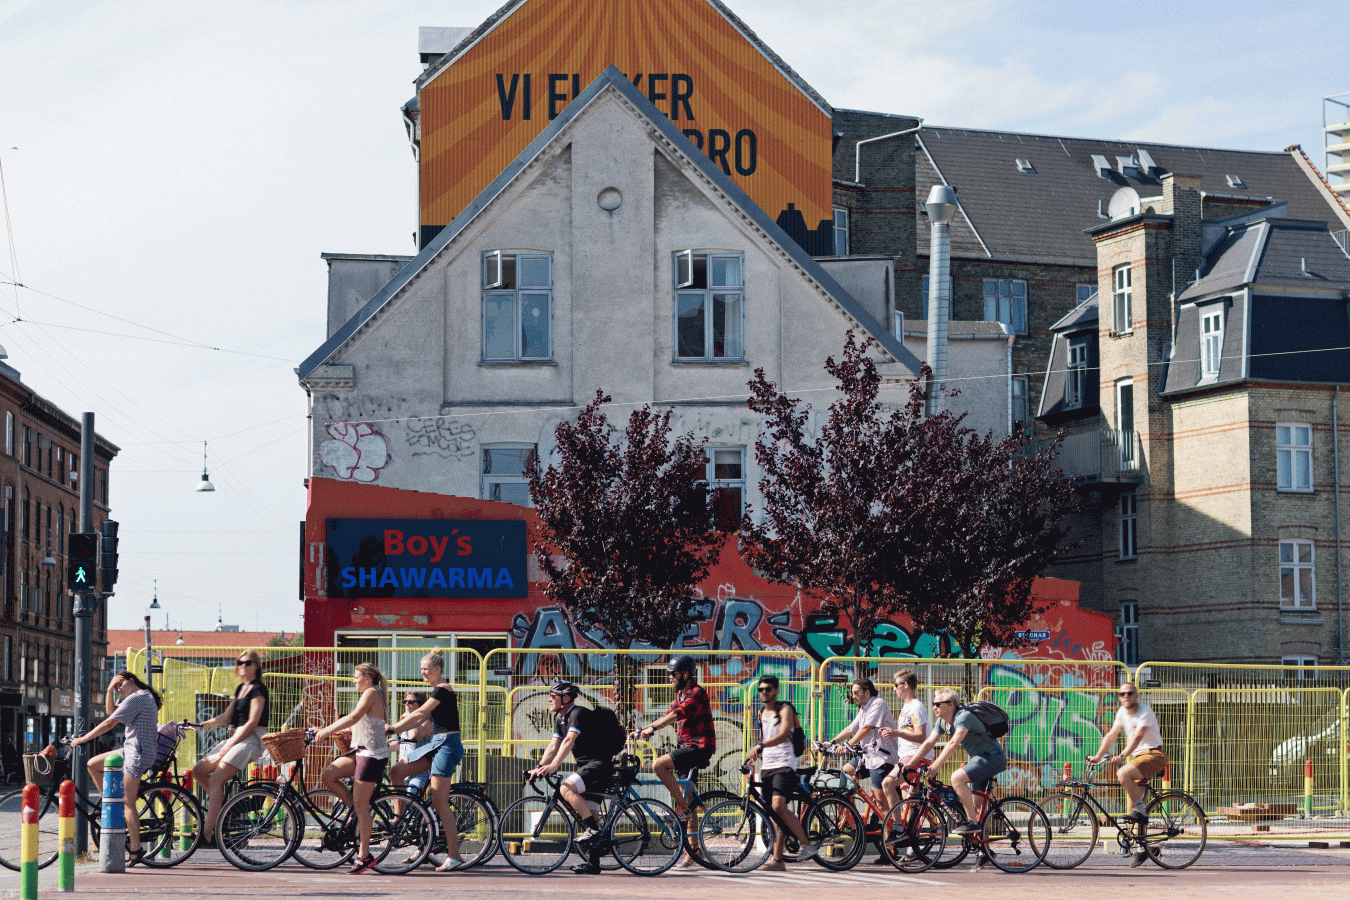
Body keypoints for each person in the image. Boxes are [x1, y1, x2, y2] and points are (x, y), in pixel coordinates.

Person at [68, 670, 162, 866]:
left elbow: (110, 722)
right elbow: (112, 712)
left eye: (121, 685)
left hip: (138, 752)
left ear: (132, 681)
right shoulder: (137, 698)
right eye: (116, 687)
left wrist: (83, 739)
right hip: (129, 749)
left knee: (128, 803)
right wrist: (109, 690)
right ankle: (110, 803)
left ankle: (136, 850)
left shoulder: (139, 697)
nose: (119, 689)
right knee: (93, 764)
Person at [385, 649, 465, 871]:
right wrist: (396, 728)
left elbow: (419, 715)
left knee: (439, 801)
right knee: (396, 771)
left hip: (448, 745)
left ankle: (455, 855)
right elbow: (416, 720)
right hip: (435, 744)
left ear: (438, 669)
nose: (422, 672)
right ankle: (398, 819)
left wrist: (393, 728)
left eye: (426, 669)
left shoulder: (443, 690)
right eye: (421, 669)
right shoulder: (435, 691)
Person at [526, 680, 613, 875]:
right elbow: (553, 746)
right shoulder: (560, 719)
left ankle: (592, 830)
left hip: (598, 765)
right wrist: (539, 767)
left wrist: (554, 766)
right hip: (589, 767)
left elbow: (569, 741)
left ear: (565, 698)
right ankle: (594, 864)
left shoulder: (577, 714)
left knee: (566, 788)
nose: (549, 699)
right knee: (591, 813)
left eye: (553, 696)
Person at [315, 662, 390, 875]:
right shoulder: (368, 693)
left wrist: (327, 730)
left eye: (356, 676)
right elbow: (357, 722)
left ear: (367, 677)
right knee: (329, 774)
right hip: (360, 752)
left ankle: (364, 856)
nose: (353, 680)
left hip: (372, 755)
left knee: (362, 804)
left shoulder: (372, 693)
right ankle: (354, 814)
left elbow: (354, 717)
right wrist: (319, 730)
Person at [192, 648, 269, 848]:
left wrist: (230, 745)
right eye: (240, 662)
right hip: (237, 738)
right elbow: (225, 718)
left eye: (248, 663)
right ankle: (224, 811)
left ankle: (208, 835)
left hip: (252, 739)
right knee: (199, 770)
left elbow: (252, 723)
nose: (243, 666)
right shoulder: (240, 689)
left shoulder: (258, 689)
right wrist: (199, 725)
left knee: (217, 778)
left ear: (256, 666)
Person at [1088, 682, 1168, 868]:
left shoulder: (1144, 711)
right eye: (1122, 693)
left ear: (1136, 696)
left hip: (1153, 755)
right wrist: (1097, 757)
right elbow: (1111, 735)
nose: (1126, 696)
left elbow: (1138, 737)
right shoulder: (1121, 713)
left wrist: (1123, 756)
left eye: (1130, 693)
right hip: (1137, 758)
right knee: (1132, 806)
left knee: (1122, 773)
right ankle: (1145, 849)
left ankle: (1141, 812)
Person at [745, 675, 817, 871]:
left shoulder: (784, 709)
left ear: (776, 690)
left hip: (785, 763)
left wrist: (761, 745)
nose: (764, 693)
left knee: (778, 805)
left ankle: (807, 845)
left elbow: (784, 733)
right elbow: (764, 737)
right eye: (760, 690)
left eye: (768, 689)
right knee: (774, 814)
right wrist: (756, 754)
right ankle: (778, 860)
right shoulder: (761, 713)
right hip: (767, 765)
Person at [635, 655, 715, 822]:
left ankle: (683, 810)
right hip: (685, 748)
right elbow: (667, 714)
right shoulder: (680, 694)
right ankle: (693, 847)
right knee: (688, 797)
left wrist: (653, 728)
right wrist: (643, 729)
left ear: (686, 675)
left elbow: (676, 714)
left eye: (674, 673)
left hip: (698, 748)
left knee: (658, 765)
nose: (670, 676)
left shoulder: (697, 692)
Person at [828, 678, 898, 817]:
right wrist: (833, 742)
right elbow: (851, 728)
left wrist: (848, 745)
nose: (853, 696)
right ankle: (853, 820)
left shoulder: (878, 703)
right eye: (852, 693)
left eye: (856, 693)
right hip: (867, 756)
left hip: (881, 758)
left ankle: (890, 836)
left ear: (867, 691)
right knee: (843, 775)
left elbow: (866, 728)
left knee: (881, 803)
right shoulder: (864, 709)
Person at [880, 668, 934, 807]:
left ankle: (898, 827)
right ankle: (925, 826)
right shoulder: (907, 706)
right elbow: (910, 731)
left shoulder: (915, 707)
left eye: (896, 684)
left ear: (906, 685)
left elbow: (921, 736)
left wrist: (896, 733)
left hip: (915, 757)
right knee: (908, 805)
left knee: (887, 783)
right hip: (907, 756)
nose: (894, 689)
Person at [389, 691, 432, 796]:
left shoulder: (426, 722)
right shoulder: (409, 722)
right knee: (400, 802)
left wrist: (410, 717)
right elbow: (403, 743)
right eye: (405, 701)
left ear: (420, 705)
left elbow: (414, 736)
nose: (406, 704)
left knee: (411, 803)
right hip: (404, 771)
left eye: (411, 702)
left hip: (419, 773)